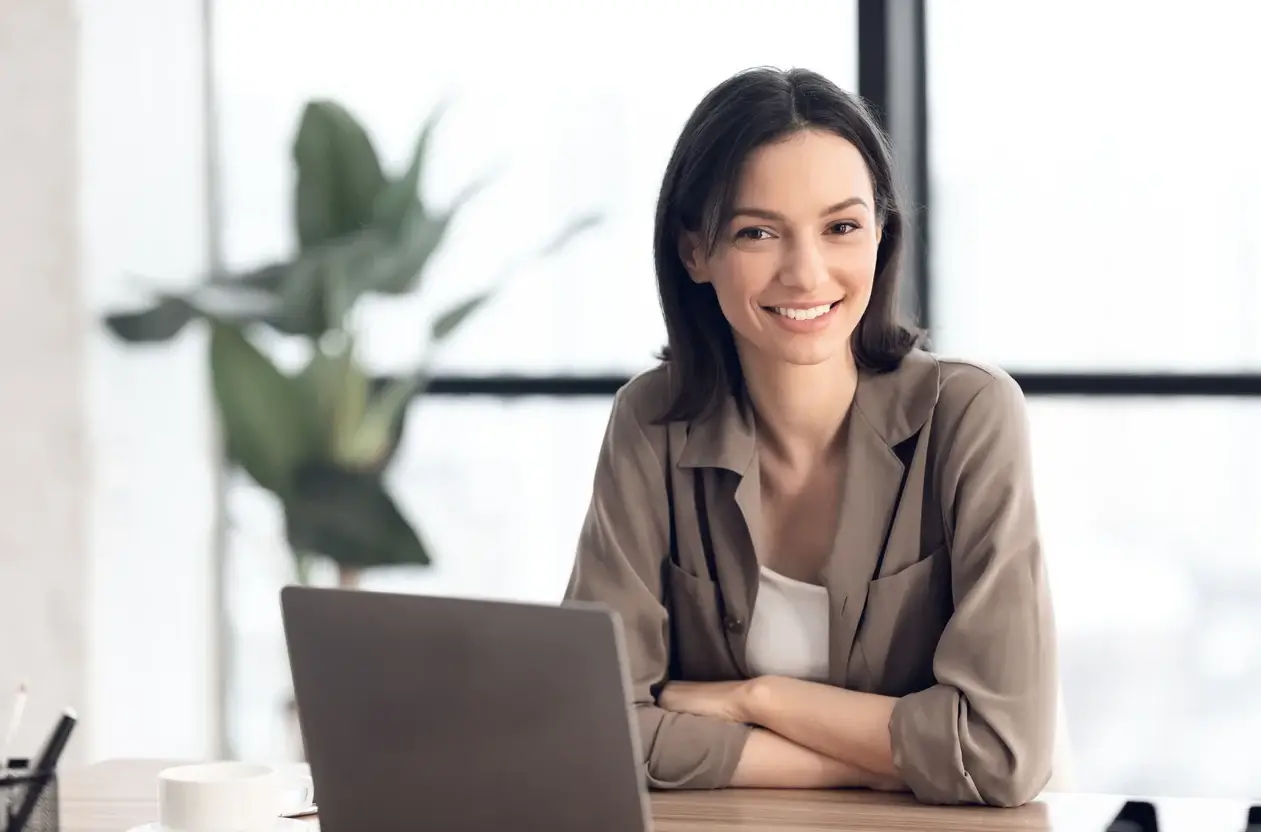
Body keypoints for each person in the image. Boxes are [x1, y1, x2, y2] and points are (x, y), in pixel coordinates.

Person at [564, 66, 1061, 808]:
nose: (806, 273)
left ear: (881, 234)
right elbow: (594, 728)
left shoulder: (969, 415)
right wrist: (875, 762)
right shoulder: (650, 423)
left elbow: (998, 753)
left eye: (840, 227)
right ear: (694, 252)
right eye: (757, 232)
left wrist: (757, 700)